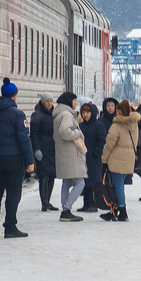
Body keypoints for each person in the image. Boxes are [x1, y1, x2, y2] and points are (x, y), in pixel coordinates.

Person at [0, 81, 35, 238]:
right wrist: (30, 161)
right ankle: (10, 227)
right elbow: (24, 139)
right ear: (14, 96)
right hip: (15, 159)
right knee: (13, 193)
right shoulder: (18, 115)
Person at [100, 99, 140, 222]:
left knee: (117, 187)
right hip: (129, 159)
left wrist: (104, 160)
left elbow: (109, 145)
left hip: (116, 160)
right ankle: (114, 211)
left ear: (119, 111)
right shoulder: (134, 124)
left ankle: (122, 212)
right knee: (119, 186)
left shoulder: (116, 126)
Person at [52, 92, 87, 222]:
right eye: (75, 100)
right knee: (80, 182)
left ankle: (65, 209)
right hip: (71, 154)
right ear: (69, 101)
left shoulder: (59, 114)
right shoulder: (67, 115)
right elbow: (64, 132)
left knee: (67, 182)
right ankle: (67, 208)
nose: (76, 103)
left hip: (64, 153)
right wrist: (78, 132)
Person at [78, 98, 111, 212]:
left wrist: (96, 152)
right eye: (83, 112)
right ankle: (86, 204)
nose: (85, 114)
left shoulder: (98, 125)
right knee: (85, 181)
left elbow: (102, 140)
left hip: (94, 158)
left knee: (93, 181)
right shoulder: (81, 126)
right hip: (83, 158)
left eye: (88, 112)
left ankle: (93, 204)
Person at [31, 93, 57, 211]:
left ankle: (48, 201)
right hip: (43, 148)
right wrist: (36, 148)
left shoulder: (54, 115)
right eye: (47, 101)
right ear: (42, 102)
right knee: (44, 175)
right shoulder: (37, 115)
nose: (49, 103)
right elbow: (34, 134)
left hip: (52, 149)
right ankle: (44, 202)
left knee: (51, 175)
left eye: (51, 101)